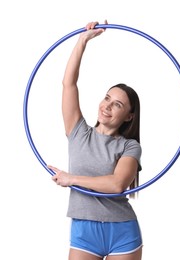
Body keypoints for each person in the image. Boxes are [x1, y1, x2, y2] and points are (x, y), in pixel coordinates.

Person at [48, 21, 143, 260]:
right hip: (84, 232)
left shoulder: (129, 146)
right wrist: (83, 40)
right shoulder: (78, 132)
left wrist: (71, 179)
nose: (108, 106)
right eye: (107, 98)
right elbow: (68, 84)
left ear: (129, 116)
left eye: (118, 104)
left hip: (123, 231)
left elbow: (116, 185)